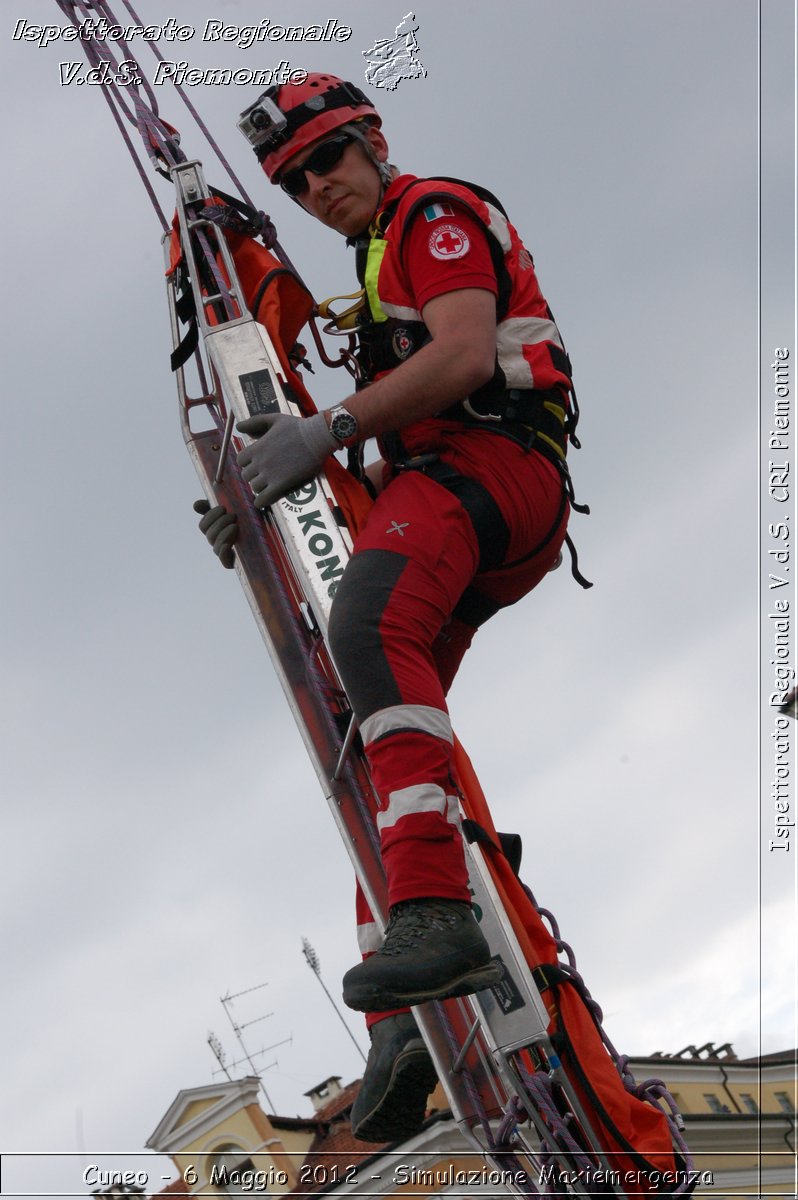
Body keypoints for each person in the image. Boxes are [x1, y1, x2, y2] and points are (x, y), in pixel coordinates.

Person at [198, 74, 582, 1143]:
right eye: (294, 179)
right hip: (460, 487)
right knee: (378, 722)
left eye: (327, 160)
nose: (315, 187)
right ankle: (406, 1004)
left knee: (367, 628)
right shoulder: (375, 265)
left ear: (372, 142)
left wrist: (315, 437)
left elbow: (462, 356)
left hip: (494, 462)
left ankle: (434, 917)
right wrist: (255, 495)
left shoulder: (433, 215)